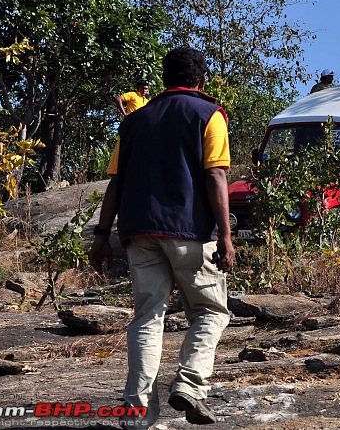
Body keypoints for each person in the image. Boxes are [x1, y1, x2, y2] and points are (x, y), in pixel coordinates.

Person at [89, 46, 234, 427]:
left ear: (164, 79)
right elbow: (216, 176)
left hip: (139, 232)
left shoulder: (134, 122)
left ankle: (137, 411)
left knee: (147, 317)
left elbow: (115, 184)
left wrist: (103, 234)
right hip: (188, 232)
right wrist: (226, 237)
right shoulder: (208, 114)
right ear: (201, 80)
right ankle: (189, 383)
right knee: (210, 311)